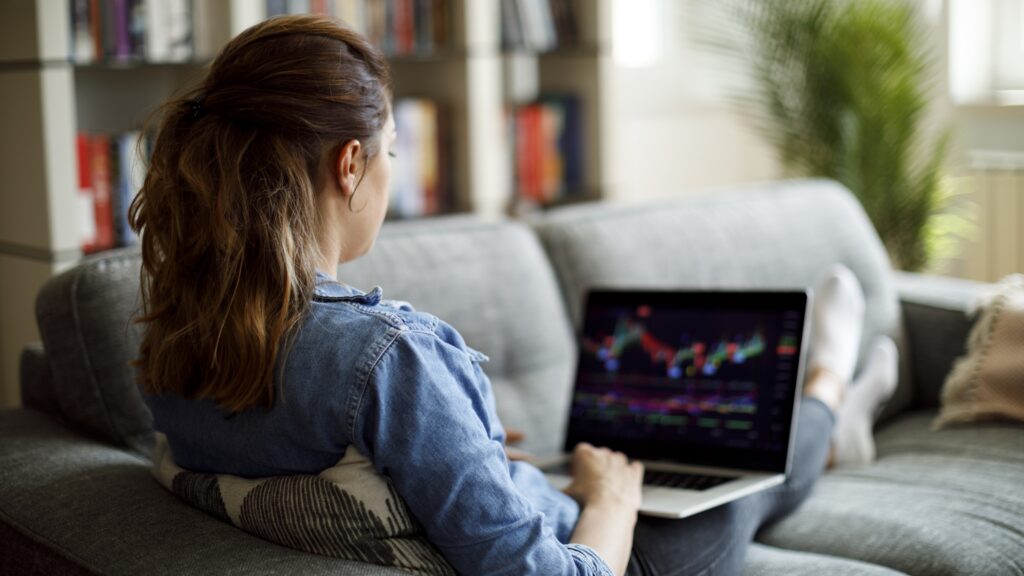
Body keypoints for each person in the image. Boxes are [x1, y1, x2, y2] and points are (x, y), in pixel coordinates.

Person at [132, 15, 897, 576]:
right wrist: (613, 499)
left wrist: (458, 448)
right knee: (739, 490)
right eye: (394, 151)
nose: (392, 173)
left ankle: (833, 411)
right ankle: (831, 395)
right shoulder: (390, 360)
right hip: (622, 550)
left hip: (524, 496)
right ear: (350, 163)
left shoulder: (178, 338)